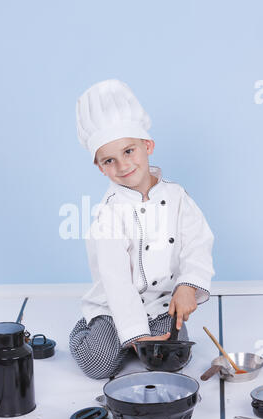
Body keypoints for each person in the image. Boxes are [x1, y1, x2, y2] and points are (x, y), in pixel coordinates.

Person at [69, 79, 215, 379]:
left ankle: (133, 340)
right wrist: (135, 334)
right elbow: (117, 282)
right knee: (99, 366)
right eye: (110, 160)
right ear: (100, 167)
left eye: (129, 151)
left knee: (170, 361)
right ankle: (89, 329)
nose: (123, 165)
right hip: (114, 305)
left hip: (161, 303)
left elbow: (197, 243)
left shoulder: (177, 197)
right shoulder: (109, 213)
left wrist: (188, 284)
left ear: (147, 146)